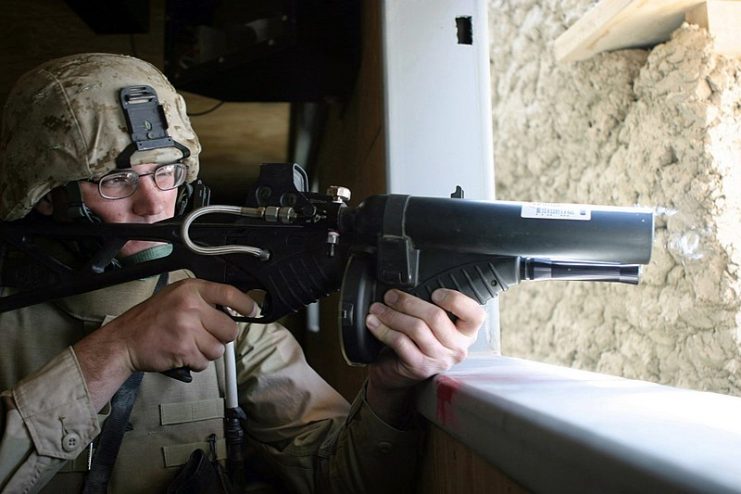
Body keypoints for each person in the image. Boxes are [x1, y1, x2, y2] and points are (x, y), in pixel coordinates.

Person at [0, 53, 485, 493]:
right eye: (117, 181)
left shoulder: (223, 310)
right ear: (45, 195)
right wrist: (117, 350)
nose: (153, 202)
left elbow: (337, 480)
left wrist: (389, 387)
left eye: (165, 171)